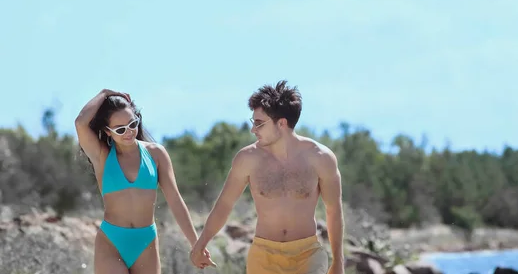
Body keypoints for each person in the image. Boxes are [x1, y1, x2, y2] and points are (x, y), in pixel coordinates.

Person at [189, 80, 345, 274]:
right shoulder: (247, 158)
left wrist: (338, 262)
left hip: (308, 254)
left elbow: (333, 210)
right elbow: (225, 204)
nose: (253, 130)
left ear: (281, 123)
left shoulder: (321, 158)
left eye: (259, 123)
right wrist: (200, 244)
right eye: (253, 122)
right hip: (263, 255)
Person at [75, 89, 198, 274]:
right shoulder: (102, 157)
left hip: (146, 242)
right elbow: (80, 122)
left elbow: (175, 200)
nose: (129, 132)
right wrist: (105, 93)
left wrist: (196, 244)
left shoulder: (156, 154)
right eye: (120, 129)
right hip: (111, 242)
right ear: (107, 132)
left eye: (132, 123)